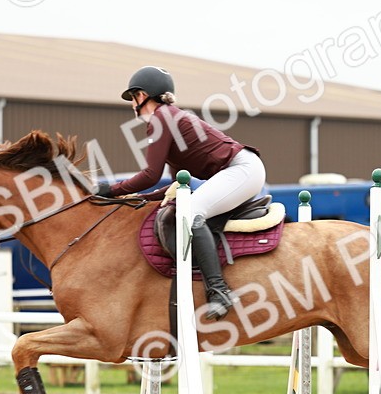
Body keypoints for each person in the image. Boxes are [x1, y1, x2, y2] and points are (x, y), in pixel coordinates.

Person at [96, 66, 266, 320]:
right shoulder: (170, 118)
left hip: (241, 170)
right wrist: (140, 198)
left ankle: (219, 291)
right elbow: (178, 184)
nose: (132, 105)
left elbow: (150, 175)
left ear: (142, 95)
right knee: (188, 206)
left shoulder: (161, 119)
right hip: (241, 170)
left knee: (191, 212)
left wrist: (110, 189)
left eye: (133, 98)